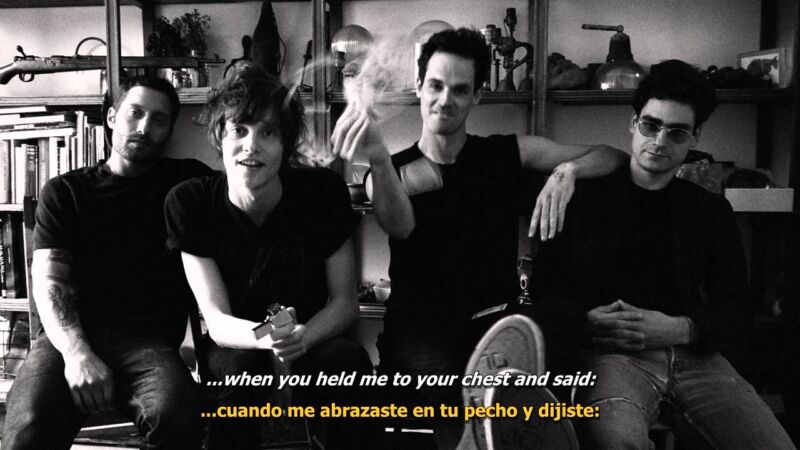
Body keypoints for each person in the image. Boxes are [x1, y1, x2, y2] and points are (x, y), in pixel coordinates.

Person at [332, 27, 628, 449]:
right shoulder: (390, 170)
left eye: (460, 89)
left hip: (495, 323)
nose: (445, 100)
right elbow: (400, 225)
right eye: (436, 86)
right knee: (448, 385)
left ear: (478, 96)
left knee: (565, 317)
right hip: (421, 332)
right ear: (419, 86)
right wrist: (378, 158)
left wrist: (568, 171)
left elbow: (613, 156)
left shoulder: (507, 153)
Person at [532, 59, 796, 449]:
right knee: (617, 440)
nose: (659, 141)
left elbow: (737, 307)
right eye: (650, 126)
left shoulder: (708, 210)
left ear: (694, 136)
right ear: (633, 123)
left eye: (676, 132)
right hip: (611, 357)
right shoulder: (582, 201)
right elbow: (542, 295)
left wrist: (682, 328)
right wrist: (585, 322)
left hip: (695, 358)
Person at [164, 65, 374, 450]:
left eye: (269, 132)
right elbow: (218, 320)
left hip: (312, 334)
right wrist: (269, 340)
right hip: (237, 342)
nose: (251, 145)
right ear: (219, 136)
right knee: (243, 373)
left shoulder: (323, 192)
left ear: (286, 144)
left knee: (348, 364)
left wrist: (297, 340)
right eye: (239, 130)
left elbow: (345, 304)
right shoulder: (190, 202)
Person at [3, 76, 213, 449]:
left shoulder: (186, 183)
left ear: (169, 130)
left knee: (178, 416)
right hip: (68, 339)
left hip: (149, 344)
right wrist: (77, 354)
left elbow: (247, 183)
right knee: (27, 429)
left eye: (159, 119)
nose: (144, 127)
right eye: (135, 113)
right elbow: (49, 284)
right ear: (112, 117)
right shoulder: (65, 192)